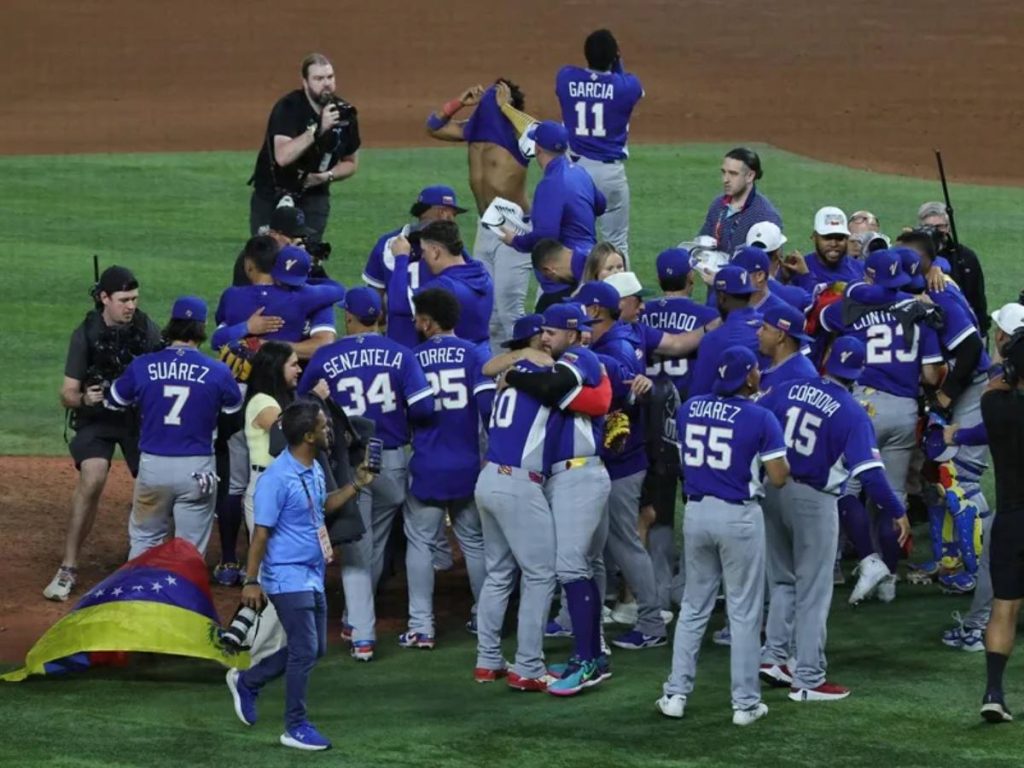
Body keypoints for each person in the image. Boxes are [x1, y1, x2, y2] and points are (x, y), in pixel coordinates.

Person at [758, 337, 909, 700]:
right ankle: (808, 677)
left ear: (826, 358)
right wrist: (898, 510)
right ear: (859, 372)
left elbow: (758, 424)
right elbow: (870, 475)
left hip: (772, 489)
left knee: (782, 580)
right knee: (813, 590)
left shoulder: (789, 387)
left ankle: (774, 657)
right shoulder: (852, 411)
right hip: (812, 501)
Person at [226, 400, 375, 751]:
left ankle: (248, 681)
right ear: (308, 435)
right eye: (324, 426)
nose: (330, 430)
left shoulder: (312, 469)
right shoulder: (275, 480)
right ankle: (295, 725)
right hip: (285, 576)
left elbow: (320, 506)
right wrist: (251, 581)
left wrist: (356, 484)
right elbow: (259, 535)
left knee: (315, 648)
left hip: (311, 571)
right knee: (306, 649)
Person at [297, 288, 435, 661]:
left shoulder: (326, 355)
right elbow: (424, 410)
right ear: (381, 318)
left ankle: (361, 635)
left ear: (349, 318)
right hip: (391, 458)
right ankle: (354, 619)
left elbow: (301, 405)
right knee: (373, 541)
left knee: (358, 548)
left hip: (347, 463)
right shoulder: (401, 355)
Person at [657, 346, 789, 725]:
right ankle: (745, 705)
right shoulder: (761, 417)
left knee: (694, 608)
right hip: (738, 518)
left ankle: (675, 694)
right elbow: (779, 478)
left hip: (696, 513)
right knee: (744, 613)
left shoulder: (690, 407)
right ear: (748, 376)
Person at [495, 303, 613, 695]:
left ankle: (587, 661)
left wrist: (513, 373)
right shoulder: (555, 366)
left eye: (553, 332)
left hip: (580, 473)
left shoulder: (581, 357)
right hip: (565, 477)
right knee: (575, 566)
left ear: (574, 334)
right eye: (542, 331)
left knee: (569, 566)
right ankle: (594, 655)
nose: (545, 338)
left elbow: (550, 388)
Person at [817, 250, 944, 604]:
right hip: (904, 411)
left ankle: (865, 562)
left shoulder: (855, 305)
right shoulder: (919, 310)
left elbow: (821, 326)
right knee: (895, 498)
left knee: (847, 489)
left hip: (863, 409)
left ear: (870, 276)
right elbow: (933, 374)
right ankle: (888, 578)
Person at [45, 266, 163, 601]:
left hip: (134, 418)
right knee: (93, 477)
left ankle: (142, 559)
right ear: (104, 299)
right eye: (124, 300)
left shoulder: (146, 328)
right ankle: (68, 566)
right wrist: (84, 398)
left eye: (135, 299)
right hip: (95, 418)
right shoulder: (85, 333)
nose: (131, 306)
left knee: (153, 481)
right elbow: (66, 392)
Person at [106, 297, 242, 558]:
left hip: (153, 467)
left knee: (145, 539)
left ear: (172, 324)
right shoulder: (218, 371)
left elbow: (114, 403)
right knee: (189, 550)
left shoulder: (143, 365)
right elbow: (233, 417)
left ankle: (138, 595)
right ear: (201, 328)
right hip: (197, 468)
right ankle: (182, 598)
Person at [401, 288, 496, 648]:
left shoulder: (412, 358)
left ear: (427, 321)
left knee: (421, 543)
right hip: (467, 464)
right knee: (473, 541)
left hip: (426, 465)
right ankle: (485, 618)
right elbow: (489, 411)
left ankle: (421, 626)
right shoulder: (476, 355)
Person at [426, 78, 535, 349]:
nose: (487, 99)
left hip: (515, 226)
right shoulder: (473, 130)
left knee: (510, 309)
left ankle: (524, 368)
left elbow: (547, 134)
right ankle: (495, 370)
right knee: (486, 308)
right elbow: (433, 126)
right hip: (485, 226)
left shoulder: (518, 133)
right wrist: (458, 103)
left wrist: (507, 108)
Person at [249, 53, 360, 241]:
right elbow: (282, 156)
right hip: (273, 193)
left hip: (314, 195)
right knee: (267, 254)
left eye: (330, 77)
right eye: (318, 78)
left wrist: (326, 176)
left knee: (307, 256)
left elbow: (351, 162)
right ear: (305, 82)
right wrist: (319, 128)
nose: (326, 83)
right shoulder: (288, 108)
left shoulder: (345, 113)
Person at [555, 28, 644, 258]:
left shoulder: (565, 77)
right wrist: (616, 60)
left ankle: (574, 292)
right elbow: (627, 83)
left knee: (572, 242)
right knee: (616, 244)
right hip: (609, 174)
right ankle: (622, 294)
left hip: (574, 172)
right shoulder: (627, 87)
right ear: (614, 56)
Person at [499, 120, 607, 309]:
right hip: (589, 266)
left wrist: (515, 240)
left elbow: (545, 236)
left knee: (551, 329)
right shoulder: (580, 172)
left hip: (563, 277)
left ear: (537, 148)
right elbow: (600, 205)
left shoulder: (550, 184)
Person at [977, 332, 1024, 723]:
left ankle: (994, 691)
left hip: (1010, 521)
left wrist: (1006, 364)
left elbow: (995, 381)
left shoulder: (994, 406)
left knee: (1004, 608)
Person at [361, 185, 470, 348]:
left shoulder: (386, 243)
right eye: (453, 214)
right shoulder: (448, 247)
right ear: (443, 213)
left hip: (397, 342)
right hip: (439, 344)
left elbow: (374, 299)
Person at [212, 245, 345, 363]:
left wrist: (265, 345)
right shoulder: (311, 295)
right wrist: (247, 327)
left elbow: (322, 347)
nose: (284, 283)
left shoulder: (315, 299)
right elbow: (339, 289)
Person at [391, 220, 494, 357]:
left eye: (424, 251)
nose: (422, 256)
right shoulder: (480, 272)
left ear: (435, 252)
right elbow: (458, 252)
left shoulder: (445, 287)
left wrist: (401, 258)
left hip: (455, 362)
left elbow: (397, 303)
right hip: (481, 357)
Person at [688, 266, 765, 397]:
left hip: (735, 413)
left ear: (721, 298)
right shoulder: (770, 327)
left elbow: (699, 395)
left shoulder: (713, 340)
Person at [918, 201, 988, 334]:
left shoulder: (966, 257)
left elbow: (977, 298)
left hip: (963, 328)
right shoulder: (912, 257)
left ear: (948, 227)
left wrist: (982, 331)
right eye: (929, 227)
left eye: (939, 227)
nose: (935, 232)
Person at [697, 148, 782, 256]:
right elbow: (702, 240)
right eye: (724, 172)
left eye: (733, 174)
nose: (725, 179)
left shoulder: (765, 216)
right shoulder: (718, 204)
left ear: (750, 176)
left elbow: (769, 264)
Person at [787, 207, 865, 293]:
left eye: (839, 238)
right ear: (814, 237)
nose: (834, 244)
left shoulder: (861, 269)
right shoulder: (798, 269)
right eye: (827, 238)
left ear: (847, 239)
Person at [744, 221, 812, 312]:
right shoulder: (797, 295)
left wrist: (782, 279)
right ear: (778, 254)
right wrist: (805, 276)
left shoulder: (731, 284)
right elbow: (815, 308)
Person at [756, 303, 817, 394]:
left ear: (780, 336)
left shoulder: (801, 378)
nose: (758, 332)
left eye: (764, 328)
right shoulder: (774, 361)